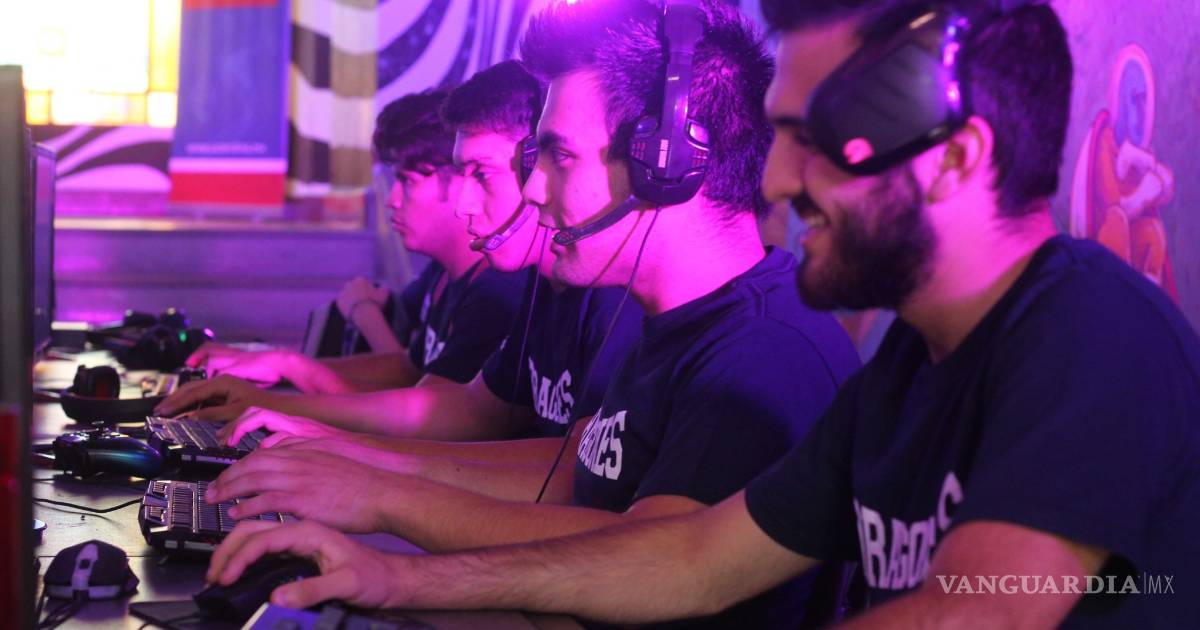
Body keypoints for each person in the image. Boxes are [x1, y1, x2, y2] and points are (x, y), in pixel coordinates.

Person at [207, 1, 1200, 629]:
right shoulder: (913, 361)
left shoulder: (1088, 331)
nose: (775, 179)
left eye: (813, 140)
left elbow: (975, 615)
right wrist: (393, 580)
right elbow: (688, 556)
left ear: (956, 157)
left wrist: (382, 509)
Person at [204, 1, 859, 627]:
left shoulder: (762, 354)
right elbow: (576, 477)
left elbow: (659, 555)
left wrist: (384, 511)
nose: (534, 188)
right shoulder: (665, 323)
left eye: (559, 155)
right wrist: (352, 464)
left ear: (667, 163)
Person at [156, 61, 646, 496]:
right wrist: (315, 424)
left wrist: (352, 450)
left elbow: (575, 474)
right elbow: (464, 408)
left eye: (482, 174)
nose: (463, 205)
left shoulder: (599, 299)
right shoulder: (544, 287)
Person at [181, 91, 527, 394]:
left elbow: (426, 413)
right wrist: (271, 363)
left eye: (407, 181)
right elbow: (409, 369)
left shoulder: (497, 293)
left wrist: (291, 371)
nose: (392, 200)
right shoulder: (441, 275)